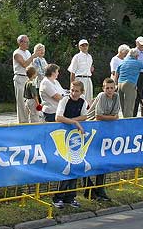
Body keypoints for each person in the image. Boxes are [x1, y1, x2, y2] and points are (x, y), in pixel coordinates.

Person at [53, 80, 88, 209]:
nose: (73, 93)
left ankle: (70, 197)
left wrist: (74, 121)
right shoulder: (64, 100)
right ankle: (58, 197)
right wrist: (75, 123)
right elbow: (58, 117)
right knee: (65, 167)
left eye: (76, 91)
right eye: (72, 90)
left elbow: (84, 116)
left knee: (75, 165)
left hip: (75, 138)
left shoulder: (83, 102)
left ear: (81, 92)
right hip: (62, 135)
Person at [84, 78, 119, 201]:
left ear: (115, 87)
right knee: (87, 160)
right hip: (91, 129)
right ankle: (88, 189)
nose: (109, 90)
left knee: (103, 159)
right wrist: (111, 118)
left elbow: (116, 114)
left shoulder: (116, 97)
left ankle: (100, 189)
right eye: (107, 88)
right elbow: (98, 116)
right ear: (103, 88)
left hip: (103, 131)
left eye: (111, 87)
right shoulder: (102, 96)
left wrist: (110, 117)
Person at [116, 48, 143, 118]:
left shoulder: (123, 62)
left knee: (123, 106)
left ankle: (124, 121)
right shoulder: (137, 62)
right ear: (136, 56)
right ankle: (128, 126)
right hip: (129, 84)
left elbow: (117, 72)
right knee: (129, 107)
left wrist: (116, 83)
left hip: (120, 84)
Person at [13, 35, 39, 123]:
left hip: (28, 78)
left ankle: (30, 121)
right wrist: (33, 56)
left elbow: (30, 66)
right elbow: (24, 64)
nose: (28, 44)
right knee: (22, 102)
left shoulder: (27, 52)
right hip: (20, 78)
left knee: (30, 101)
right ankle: (23, 122)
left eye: (28, 42)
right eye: (26, 42)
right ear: (20, 43)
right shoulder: (17, 53)